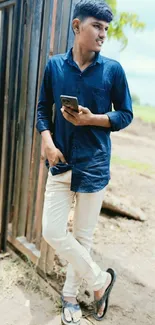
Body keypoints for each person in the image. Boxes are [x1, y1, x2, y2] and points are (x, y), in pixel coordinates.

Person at [36, 0, 133, 324]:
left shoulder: (113, 70)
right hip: (60, 162)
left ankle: (69, 298)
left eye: (106, 28)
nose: (103, 33)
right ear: (77, 27)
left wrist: (95, 119)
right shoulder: (54, 67)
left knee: (82, 238)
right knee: (51, 230)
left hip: (94, 165)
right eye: (97, 26)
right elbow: (42, 109)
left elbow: (125, 115)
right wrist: (47, 142)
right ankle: (99, 281)